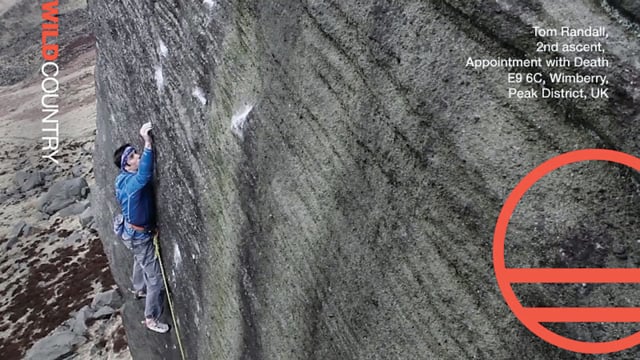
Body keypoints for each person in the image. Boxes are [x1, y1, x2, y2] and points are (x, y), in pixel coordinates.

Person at [113, 122, 169, 333]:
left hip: (131, 231)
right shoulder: (132, 184)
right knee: (156, 280)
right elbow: (145, 174)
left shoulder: (121, 179)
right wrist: (147, 143)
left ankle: (139, 288)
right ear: (127, 166)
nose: (137, 157)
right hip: (138, 235)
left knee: (140, 257)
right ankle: (151, 317)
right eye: (133, 157)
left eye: (136, 154)